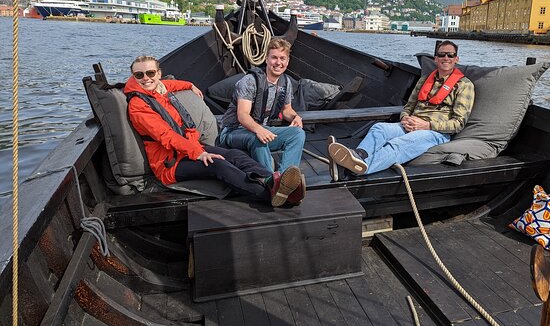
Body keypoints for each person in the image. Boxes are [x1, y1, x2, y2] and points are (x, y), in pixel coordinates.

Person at [125, 55, 305, 207]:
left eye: (150, 73)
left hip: (189, 147)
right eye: (139, 75)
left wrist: (189, 85)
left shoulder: (159, 88)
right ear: (134, 76)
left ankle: (274, 180)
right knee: (218, 164)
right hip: (169, 162)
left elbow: (171, 85)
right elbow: (166, 136)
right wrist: (198, 153)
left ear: (159, 74)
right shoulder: (138, 105)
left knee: (235, 155)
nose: (146, 78)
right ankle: (276, 197)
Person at [328, 41, 475, 175]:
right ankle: (358, 155)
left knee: (399, 144)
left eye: (450, 55)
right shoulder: (425, 80)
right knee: (379, 128)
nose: (446, 58)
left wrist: (427, 125)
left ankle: (359, 168)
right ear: (436, 59)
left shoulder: (464, 86)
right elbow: (409, 106)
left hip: (435, 132)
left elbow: (458, 123)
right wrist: (405, 118)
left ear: (456, 59)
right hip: (411, 124)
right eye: (442, 54)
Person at [218, 38, 306, 172]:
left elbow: (287, 110)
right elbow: (242, 115)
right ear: (266, 59)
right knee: (258, 138)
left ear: (287, 62)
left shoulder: (285, 82)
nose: (278, 62)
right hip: (233, 132)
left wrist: (295, 117)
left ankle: (285, 178)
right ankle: (269, 180)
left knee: (298, 134)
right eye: (274, 58)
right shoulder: (250, 81)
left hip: (262, 129)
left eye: (282, 58)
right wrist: (259, 130)